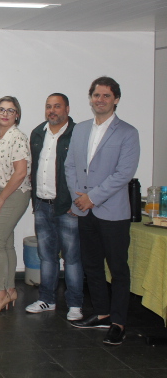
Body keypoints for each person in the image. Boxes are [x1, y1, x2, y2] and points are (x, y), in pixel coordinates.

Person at [66, 77, 139, 346]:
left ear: (116, 99)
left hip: (113, 213)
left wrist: (92, 198)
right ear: (91, 98)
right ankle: (102, 313)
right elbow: (70, 166)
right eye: (96, 95)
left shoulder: (128, 132)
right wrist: (79, 199)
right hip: (85, 211)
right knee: (92, 266)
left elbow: (124, 174)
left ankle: (118, 322)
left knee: (118, 269)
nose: (100, 100)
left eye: (106, 96)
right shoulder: (81, 129)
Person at [26, 94, 83, 321]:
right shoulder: (38, 133)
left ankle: (75, 304)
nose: (52, 110)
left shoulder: (78, 133)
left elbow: (84, 170)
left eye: (57, 106)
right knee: (46, 256)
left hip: (67, 207)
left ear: (67, 108)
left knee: (72, 258)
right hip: (42, 203)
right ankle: (46, 300)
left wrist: (76, 201)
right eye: (48, 106)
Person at [0, 96, 31, 313]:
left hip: (11, 194)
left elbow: (20, 173)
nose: (5, 113)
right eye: (1, 109)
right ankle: (10, 289)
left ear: (17, 115)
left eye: (10, 110)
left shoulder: (17, 137)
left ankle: (1, 294)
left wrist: (1, 198)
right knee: (5, 243)